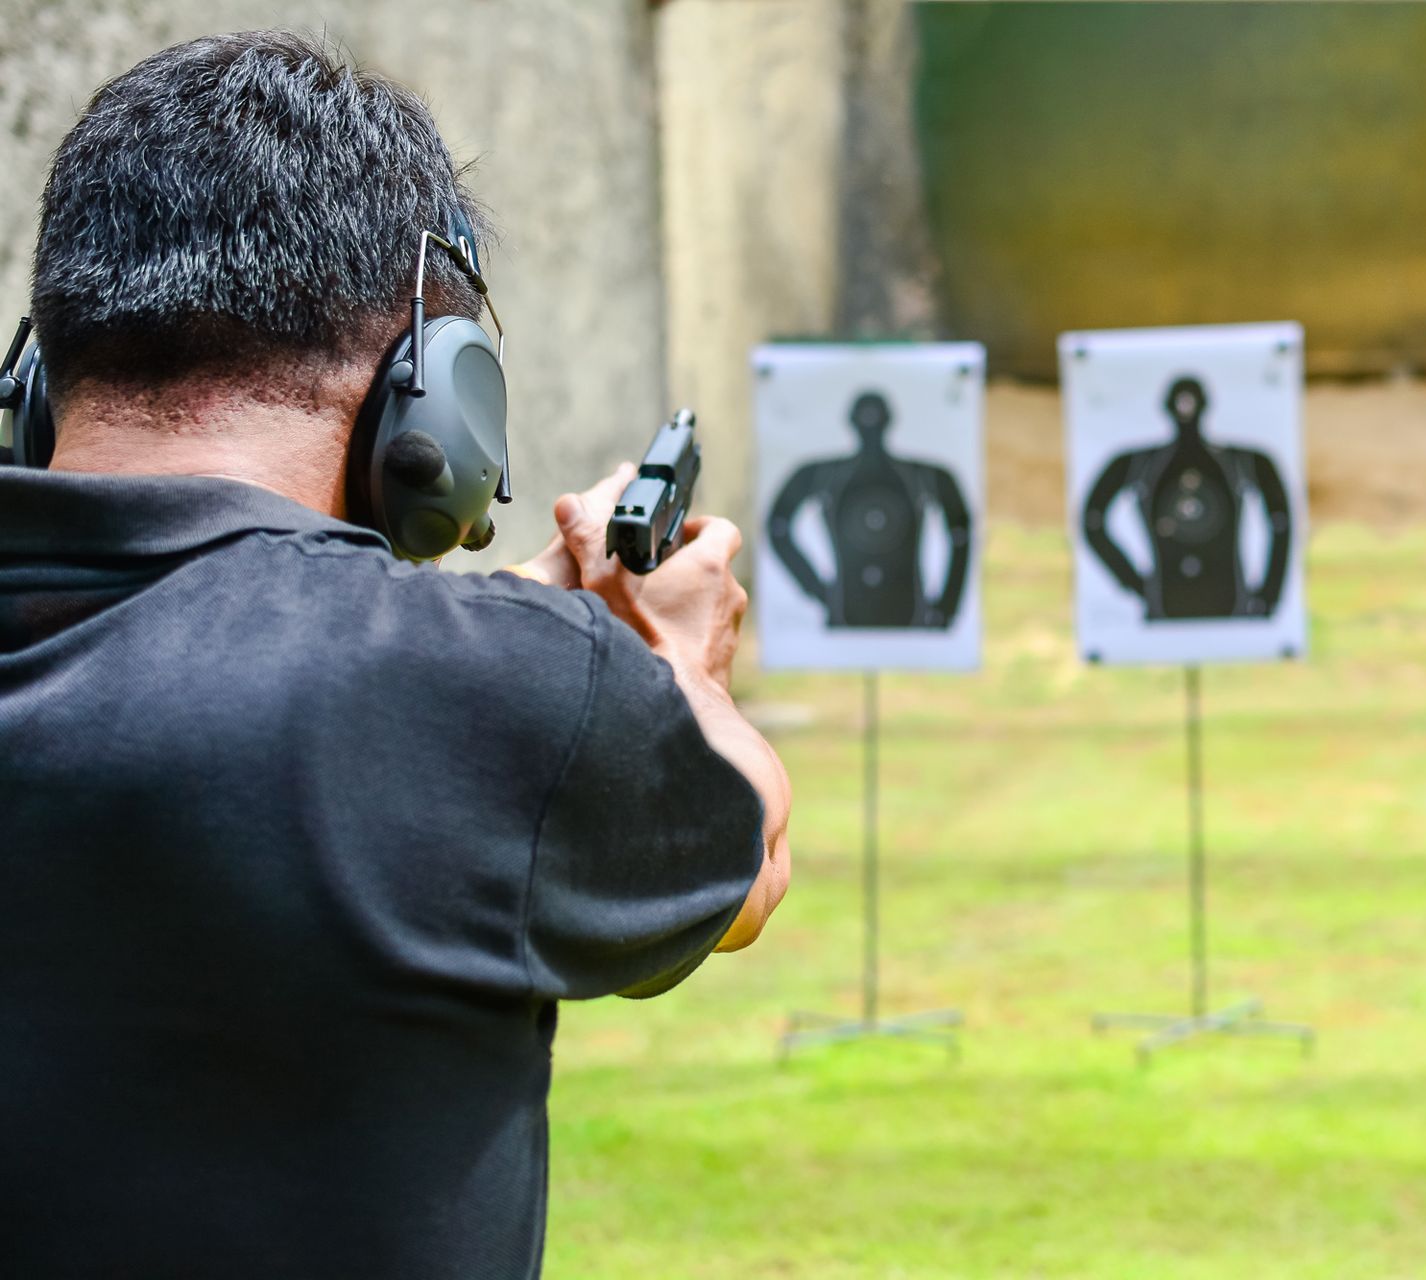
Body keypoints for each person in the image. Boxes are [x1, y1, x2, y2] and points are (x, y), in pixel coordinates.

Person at [0, 31, 789, 1279]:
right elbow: (740, 865)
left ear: (39, 372)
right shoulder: (486, 693)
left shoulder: (460, 685)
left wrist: (528, 635)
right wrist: (670, 658)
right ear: (435, 393)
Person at [1081, 375, 1292, 621]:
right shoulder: (1143, 463)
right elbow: (1093, 522)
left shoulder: (1239, 461)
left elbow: (1280, 522)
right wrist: (1134, 583)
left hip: (1220, 598)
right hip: (1173, 600)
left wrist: (1270, 592)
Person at [765, 389, 973, 629]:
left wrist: (948, 605)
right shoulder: (922, 475)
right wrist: (815, 588)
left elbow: (960, 533)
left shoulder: (825, 474)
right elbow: (779, 527)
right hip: (855, 608)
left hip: (898, 608)